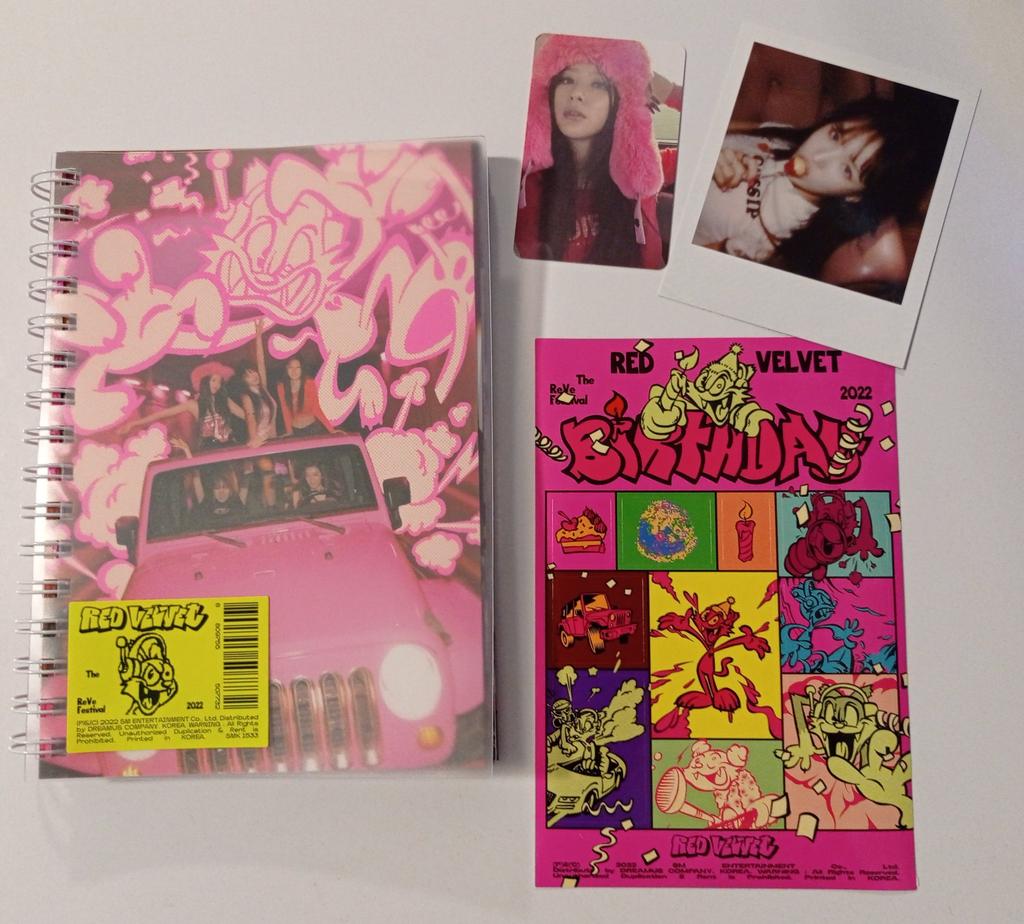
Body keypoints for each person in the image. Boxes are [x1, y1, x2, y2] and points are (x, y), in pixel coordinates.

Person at [693, 97, 930, 272]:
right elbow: (715, 128)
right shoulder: (785, 136)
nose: (818, 156)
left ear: (854, 196)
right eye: (835, 135)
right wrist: (706, 148)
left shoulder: (768, 243)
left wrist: (699, 169)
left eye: (847, 169)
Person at [515, 34, 665, 269]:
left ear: (621, 104)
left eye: (597, 84)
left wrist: (667, 90)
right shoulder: (522, 182)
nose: (576, 93)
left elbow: (711, 141)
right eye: (566, 79)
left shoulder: (645, 175)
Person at [116, 365, 245, 451]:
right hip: (209, 450)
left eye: (219, 381)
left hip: (229, 447)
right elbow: (161, 414)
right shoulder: (193, 405)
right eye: (213, 380)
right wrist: (133, 424)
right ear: (205, 382)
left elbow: (247, 416)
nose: (217, 385)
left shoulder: (225, 401)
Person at [236, 317, 278, 446]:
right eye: (248, 375)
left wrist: (258, 336)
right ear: (243, 381)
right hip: (259, 443)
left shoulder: (263, 389)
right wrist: (254, 440)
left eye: (253, 371)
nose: (254, 375)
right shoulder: (247, 397)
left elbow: (260, 361)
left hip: (271, 440)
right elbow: (251, 419)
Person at [276, 357, 335, 436]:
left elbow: (316, 408)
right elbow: (285, 410)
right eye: (290, 368)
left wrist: (331, 429)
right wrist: (289, 431)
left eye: (298, 368)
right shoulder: (281, 387)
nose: (294, 371)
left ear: (302, 369)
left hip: (312, 429)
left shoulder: (309, 384)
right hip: (295, 431)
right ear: (286, 369)